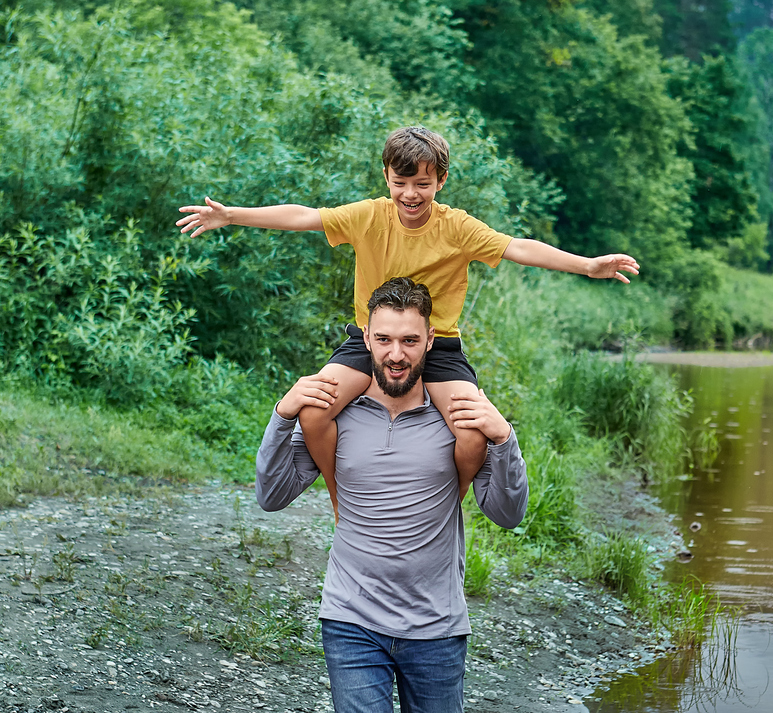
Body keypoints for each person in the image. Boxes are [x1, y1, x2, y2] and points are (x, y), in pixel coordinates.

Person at [255, 276, 528, 713]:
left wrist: (503, 436)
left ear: (430, 341)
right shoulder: (337, 415)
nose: (397, 353)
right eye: (384, 339)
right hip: (352, 620)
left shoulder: (456, 416)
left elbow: (507, 511)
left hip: (436, 625)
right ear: (365, 338)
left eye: (411, 340)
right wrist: (283, 414)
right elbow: (271, 494)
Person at [179, 124, 638, 515]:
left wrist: (588, 265)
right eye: (401, 182)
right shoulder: (368, 216)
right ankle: (341, 504)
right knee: (314, 410)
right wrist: (230, 215)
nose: (411, 194)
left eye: (422, 182)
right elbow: (304, 217)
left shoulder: (457, 226)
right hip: (369, 342)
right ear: (387, 177)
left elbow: (517, 247)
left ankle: (446, 506)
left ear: (440, 180)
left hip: (439, 349)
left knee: (473, 432)